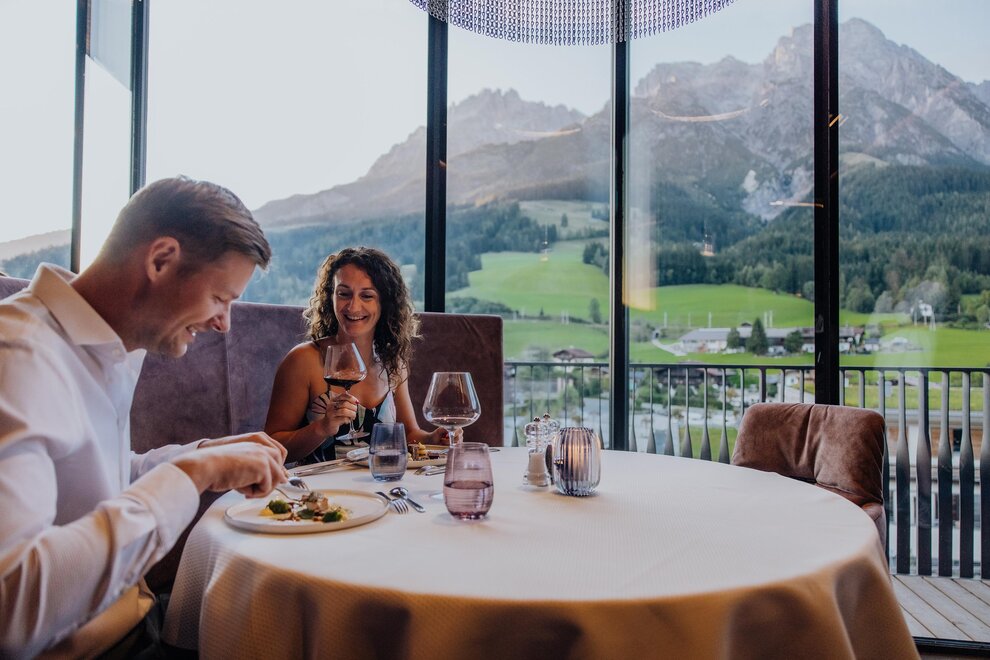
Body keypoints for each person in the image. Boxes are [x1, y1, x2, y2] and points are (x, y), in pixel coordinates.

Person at [0, 176, 289, 658]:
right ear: (161, 260)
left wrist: (205, 454)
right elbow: (13, 610)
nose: (224, 323)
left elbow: (93, 483)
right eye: (221, 298)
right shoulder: (19, 357)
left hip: (138, 618)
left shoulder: (107, 346)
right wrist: (191, 475)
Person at [265, 247, 446, 464]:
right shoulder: (304, 360)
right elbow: (271, 446)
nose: (353, 306)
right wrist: (322, 428)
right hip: (318, 484)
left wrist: (433, 439)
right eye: (344, 294)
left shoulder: (393, 362)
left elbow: (408, 434)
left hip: (380, 481)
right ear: (331, 296)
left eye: (367, 296)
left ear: (384, 302)